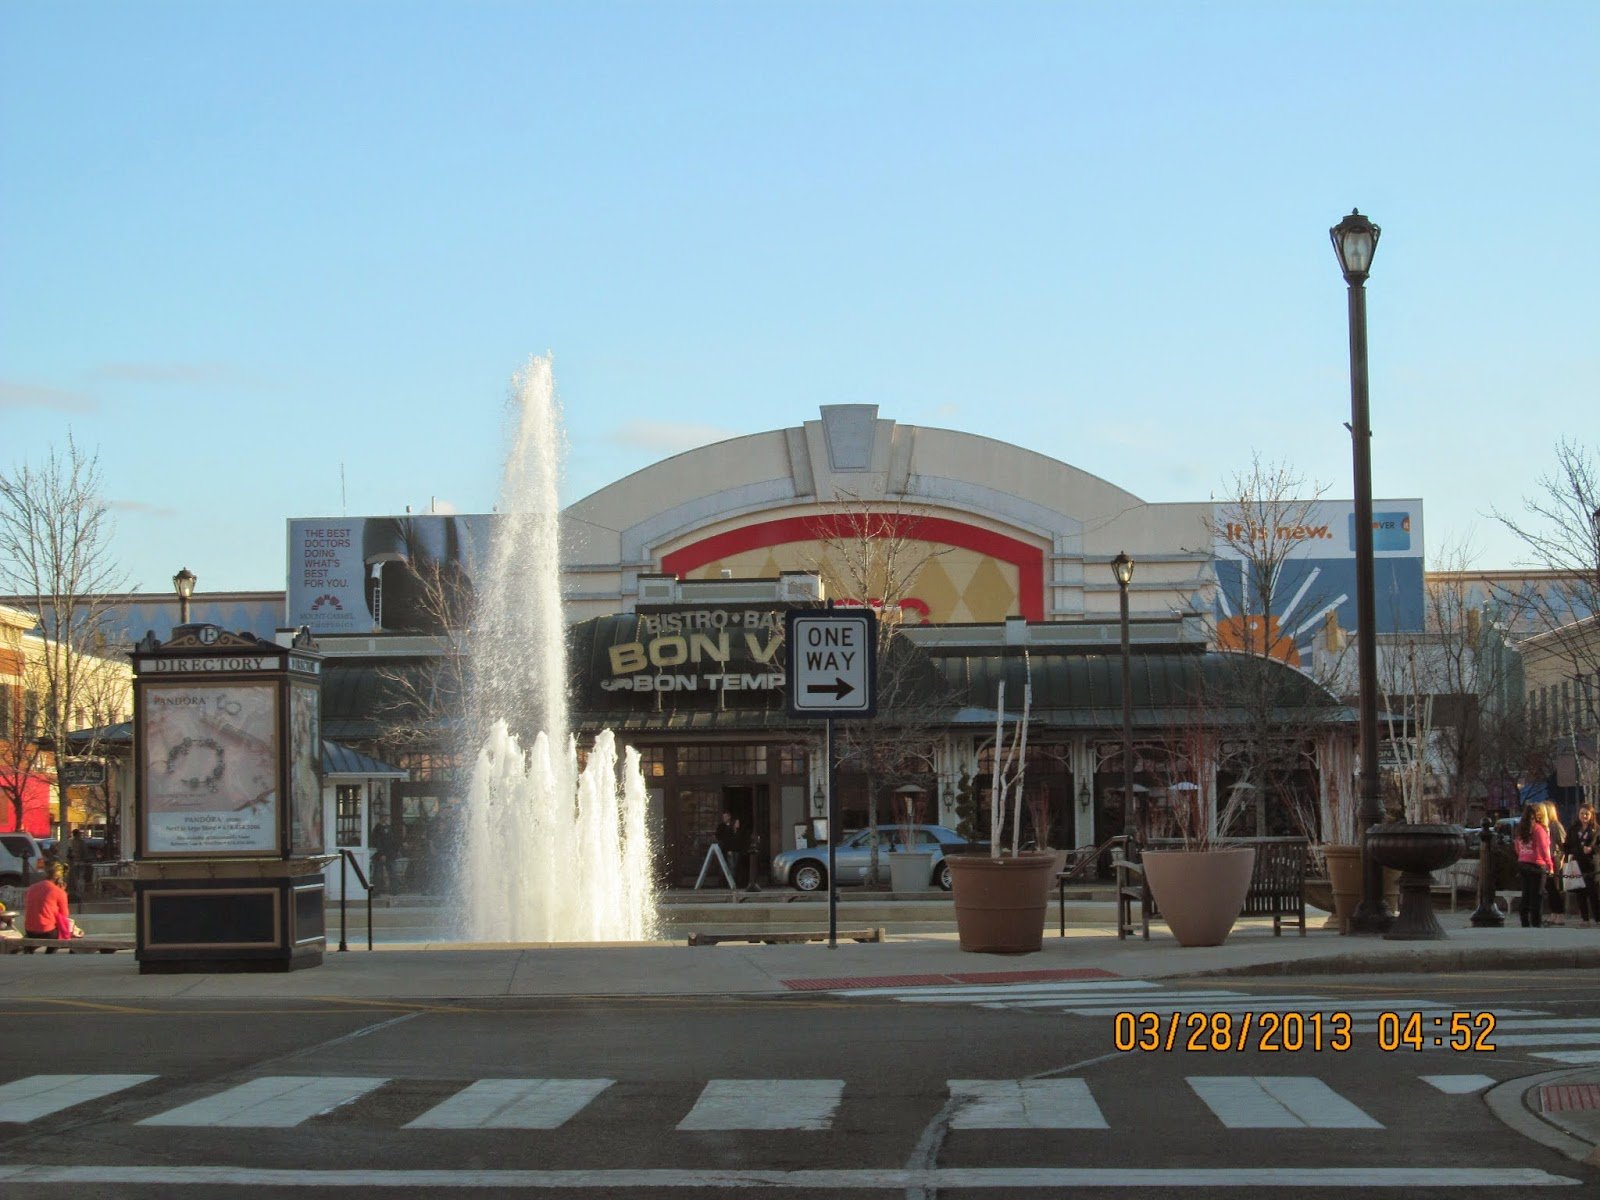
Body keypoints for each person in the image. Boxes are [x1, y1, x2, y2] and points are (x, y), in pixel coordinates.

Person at [24, 860, 82, 951]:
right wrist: (62, 892)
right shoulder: (59, 892)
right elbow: (64, 915)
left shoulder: (32, 888)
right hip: (46, 931)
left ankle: (30, 950)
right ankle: (50, 953)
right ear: (59, 878)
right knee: (71, 931)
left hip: (29, 930)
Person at [1514, 803, 1554, 928]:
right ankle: (1536, 923)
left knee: (1526, 894)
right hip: (1537, 864)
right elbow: (1544, 849)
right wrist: (1550, 865)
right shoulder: (1538, 829)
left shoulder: (1521, 828)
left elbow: (1517, 846)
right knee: (1537, 896)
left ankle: (1524, 922)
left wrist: (1522, 856)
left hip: (1523, 863)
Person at [1565, 803, 1599, 928]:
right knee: (1580, 893)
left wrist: (1592, 849)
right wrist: (1570, 855)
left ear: (1591, 815)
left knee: (1593, 892)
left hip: (1590, 865)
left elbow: (1598, 846)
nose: (1584, 816)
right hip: (1576, 863)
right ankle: (1585, 919)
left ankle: (1597, 918)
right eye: (1582, 813)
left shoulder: (1596, 829)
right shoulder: (1573, 829)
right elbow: (1567, 845)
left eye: (1587, 814)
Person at [1541, 802, 1569, 927]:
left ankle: (1560, 913)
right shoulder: (1543, 826)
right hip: (1545, 859)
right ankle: (1553, 912)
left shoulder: (1555, 825)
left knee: (1555, 888)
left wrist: (1562, 857)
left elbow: (1564, 843)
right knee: (1549, 888)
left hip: (1554, 857)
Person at [370, 818, 401, 896]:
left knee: (392, 873)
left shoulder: (389, 828)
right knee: (378, 875)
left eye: (386, 816)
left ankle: (394, 891)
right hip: (381, 855)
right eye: (384, 816)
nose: (385, 818)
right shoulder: (377, 828)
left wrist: (395, 852)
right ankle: (377, 891)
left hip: (390, 854)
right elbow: (377, 842)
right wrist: (381, 853)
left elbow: (393, 841)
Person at [714, 810, 740, 889]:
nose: (724, 818)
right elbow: (719, 836)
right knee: (728, 866)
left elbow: (736, 837)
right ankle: (727, 883)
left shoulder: (733, 825)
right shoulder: (721, 826)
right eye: (723, 817)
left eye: (726, 817)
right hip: (726, 849)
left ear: (729, 817)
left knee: (734, 866)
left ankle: (733, 882)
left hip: (735, 848)